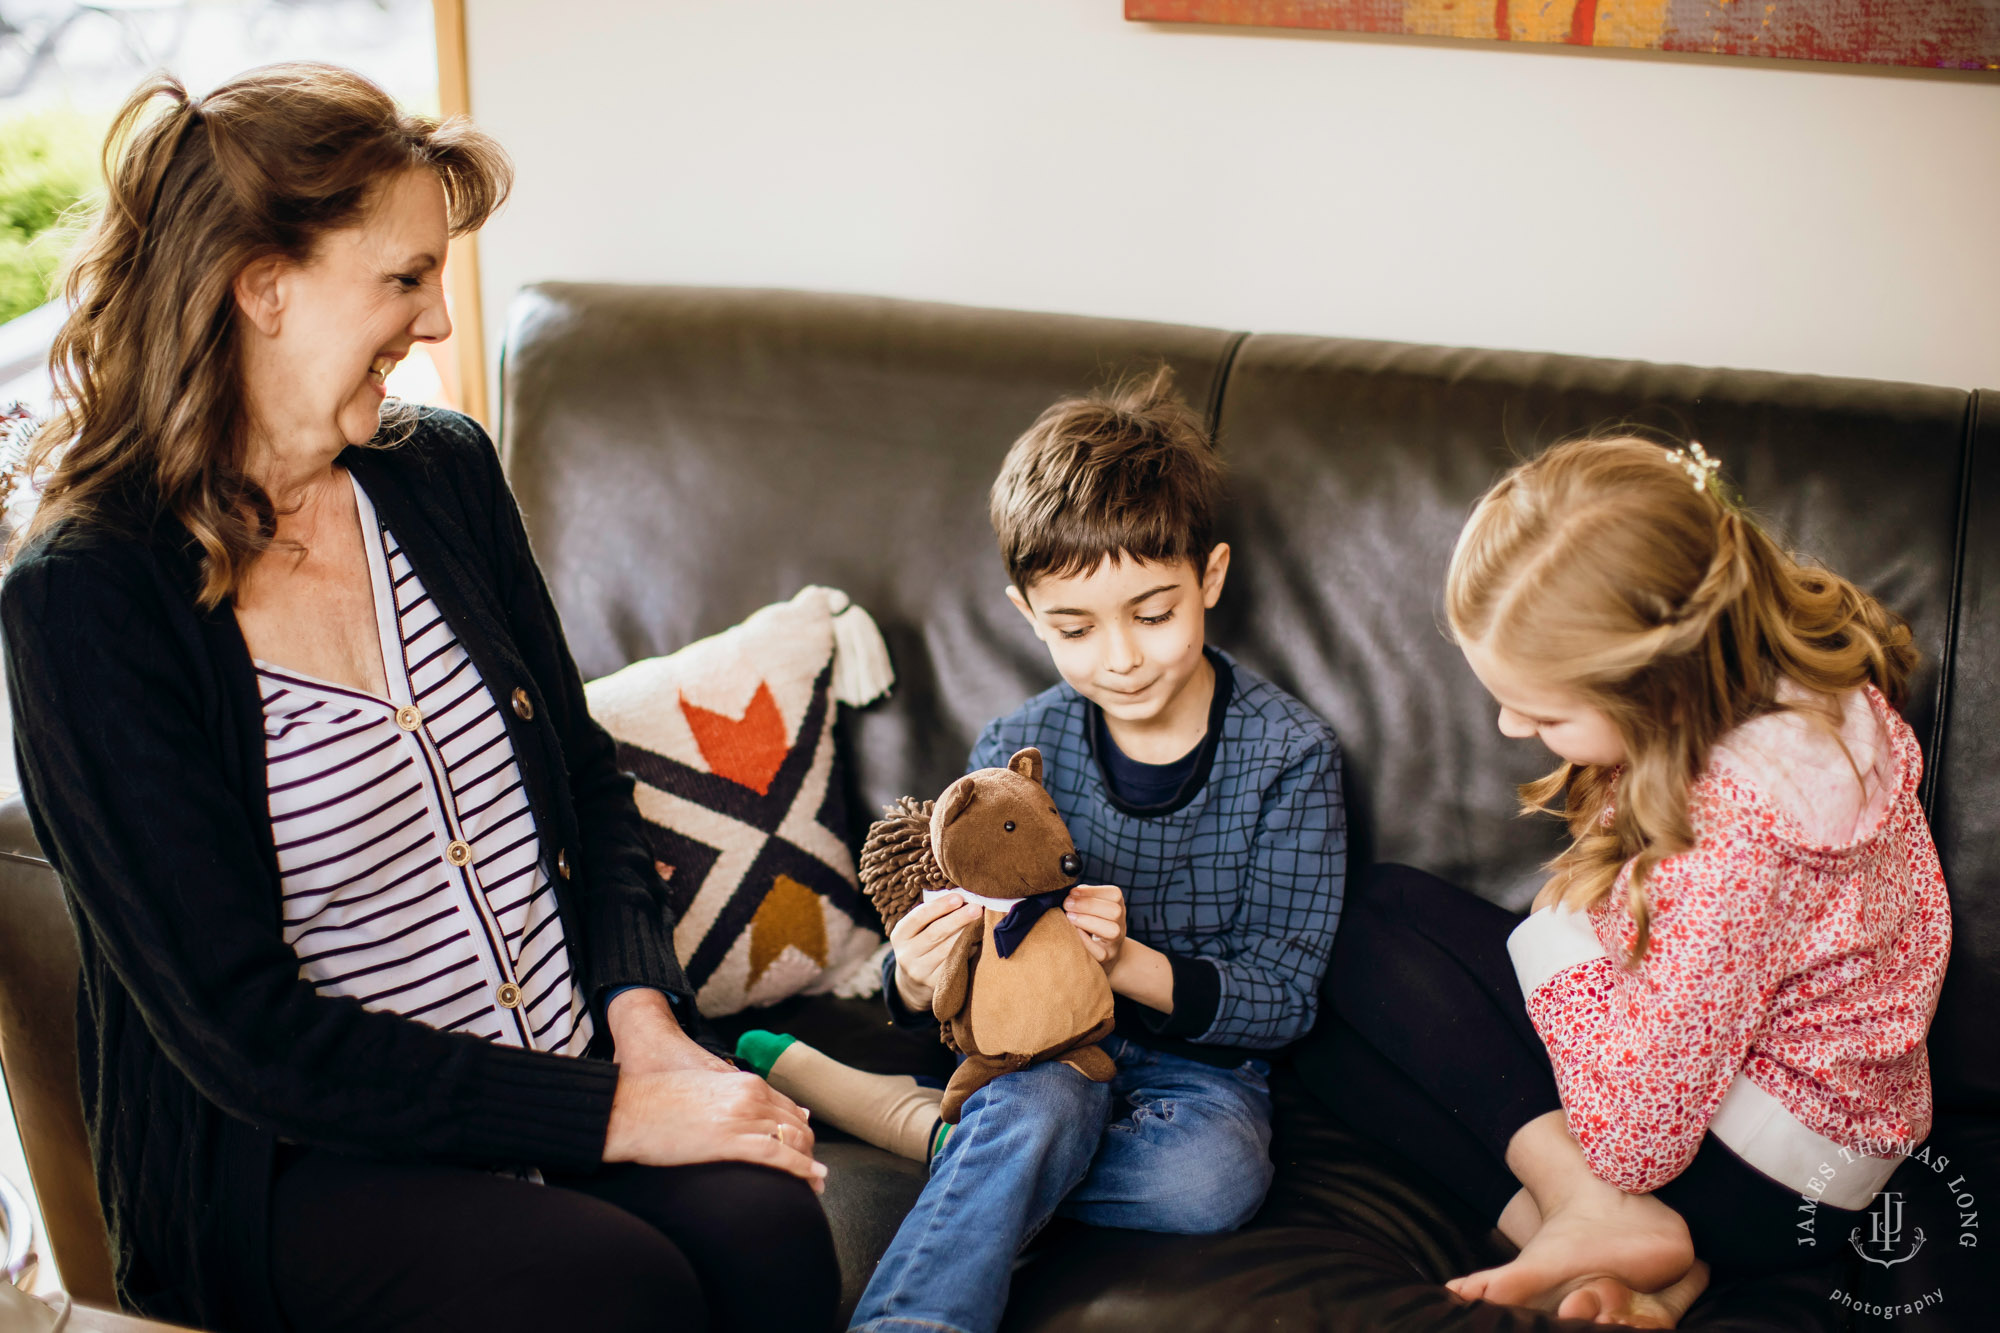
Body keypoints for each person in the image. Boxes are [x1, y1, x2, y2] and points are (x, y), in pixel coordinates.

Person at [2, 64, 838, 1333]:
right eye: (404, 279)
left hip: (567, 1060)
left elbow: (589, 789)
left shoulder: (435, 473)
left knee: (769, 1222)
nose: (439, 323)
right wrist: (610, 1111)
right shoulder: (89, 596)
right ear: (261, 284)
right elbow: (242, 1035)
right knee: (609, 1293)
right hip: (301, 1161)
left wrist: (646, 1031)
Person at [742, 369, 1348, 1333]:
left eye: (1154, 612)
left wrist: (1127, 962)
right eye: (1074, 626)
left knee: (1211, 1181)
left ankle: (963, 1145)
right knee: (1036, 1109)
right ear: (1027, 614)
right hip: (1036, 1055)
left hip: (1198, 1079)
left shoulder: (1289, 757)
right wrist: (912, 973)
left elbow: (1282, 999)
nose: (1121, 657)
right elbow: (935, 960)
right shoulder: (1017, 749)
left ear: (1213, 578)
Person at [1302, 437, 1951, 1326]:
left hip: (1760, 1177)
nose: (1506, 722)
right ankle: (1604, 1256)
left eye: (1545, 710)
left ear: (1656, 686)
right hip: (1813, 1137)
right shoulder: (1801, 684)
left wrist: (1556, 931)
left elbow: (1635, 1137)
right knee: (1308, 1034)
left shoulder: (1740, 829)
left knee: (1367, 926)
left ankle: (1593, 1212)